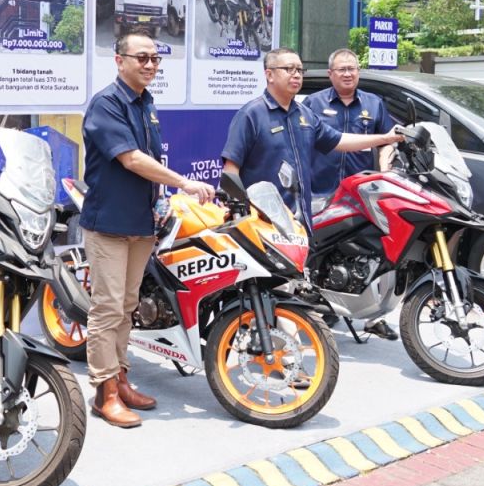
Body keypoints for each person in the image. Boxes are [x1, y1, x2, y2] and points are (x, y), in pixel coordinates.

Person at [81, 26, 216, 428]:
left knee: (126, 306)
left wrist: (163, 199)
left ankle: (121, 379)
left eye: (156, 58)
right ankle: (104, 394)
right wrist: (184, 182)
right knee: (107, 310)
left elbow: (150, 162)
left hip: (142, 223)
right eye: (142, 57)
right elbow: (132, 159)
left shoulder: (146, 103)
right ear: (119, 60)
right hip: (109, 224)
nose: (151, 64)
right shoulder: (106, 104)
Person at [221, 48, 402, 338]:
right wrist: (238, 210)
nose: (296, 75)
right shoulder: (252, 114)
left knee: (286, 296)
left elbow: (340, 141)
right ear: (269, 74)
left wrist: (385, 138)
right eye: (288, 69)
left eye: (299, 70)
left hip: (298, 222)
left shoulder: (304, 114)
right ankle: (282, 359)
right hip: (264, 223)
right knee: (279, 297)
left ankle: (271, 351)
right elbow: (231, 168)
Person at [306, 48, 397, 202]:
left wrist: (384, 170)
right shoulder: (313, 103)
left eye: (351, 69)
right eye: (342, 69)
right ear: (330, 74)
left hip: (361, 194)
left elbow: (388, 141)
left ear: (358, 71)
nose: (347, 74)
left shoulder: (374, 103)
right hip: (319, 193)